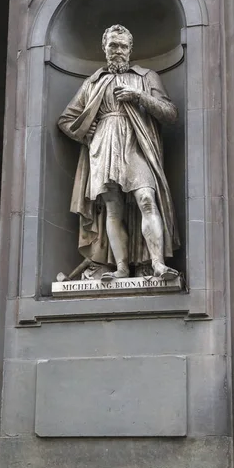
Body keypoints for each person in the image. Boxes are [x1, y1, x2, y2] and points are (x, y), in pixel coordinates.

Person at [58, 24, 180, 281]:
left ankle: (157, 263)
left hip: (137, 143)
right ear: (104, 48)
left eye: (123, 46)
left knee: (146, 197)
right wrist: (85, 132)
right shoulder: (93, 82)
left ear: (130, 49)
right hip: (104, 145)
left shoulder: (146, 77)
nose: (118, 51)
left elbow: (170, 113)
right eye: (113, 45)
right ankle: (122, 267)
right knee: (113, 209)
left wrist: (139, 97)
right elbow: (66, 119)